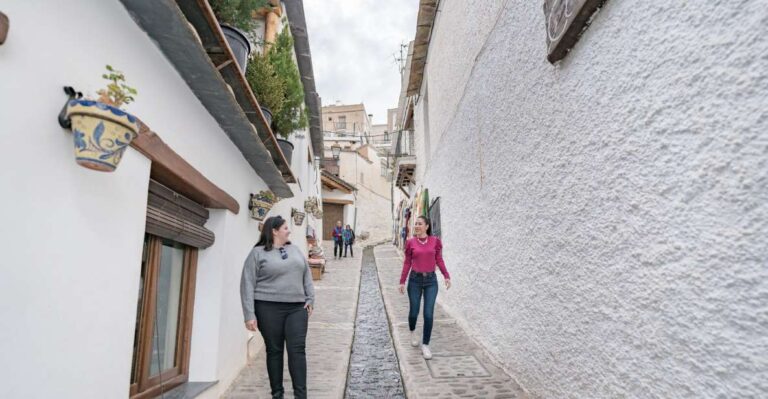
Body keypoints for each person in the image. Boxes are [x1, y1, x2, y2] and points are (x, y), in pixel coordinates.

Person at [240, 216, 315, 399]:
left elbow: (307, 275)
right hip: (267, 308)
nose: (288, 230)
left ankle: (301, 395)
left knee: (297, 349)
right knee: (274, 350)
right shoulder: (257, 253)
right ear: (274, 231)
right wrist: (249, 314)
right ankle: (277, 394)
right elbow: (247, 284)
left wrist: (310, 299)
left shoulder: (296, 250)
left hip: (297, 308)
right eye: (285, 227)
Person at [398, 216, 451, 360]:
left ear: (426, 226)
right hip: (415, 280)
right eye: (415, 223)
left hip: (431, 281)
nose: (416, 226)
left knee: (428, 314)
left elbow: (439, 259)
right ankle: (413, 331)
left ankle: (426, 344)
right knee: (414, 312)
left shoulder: (435, 242)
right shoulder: (410, 243)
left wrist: (446, 275)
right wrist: (402, 281)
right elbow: (407, 263)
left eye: (420, 224)